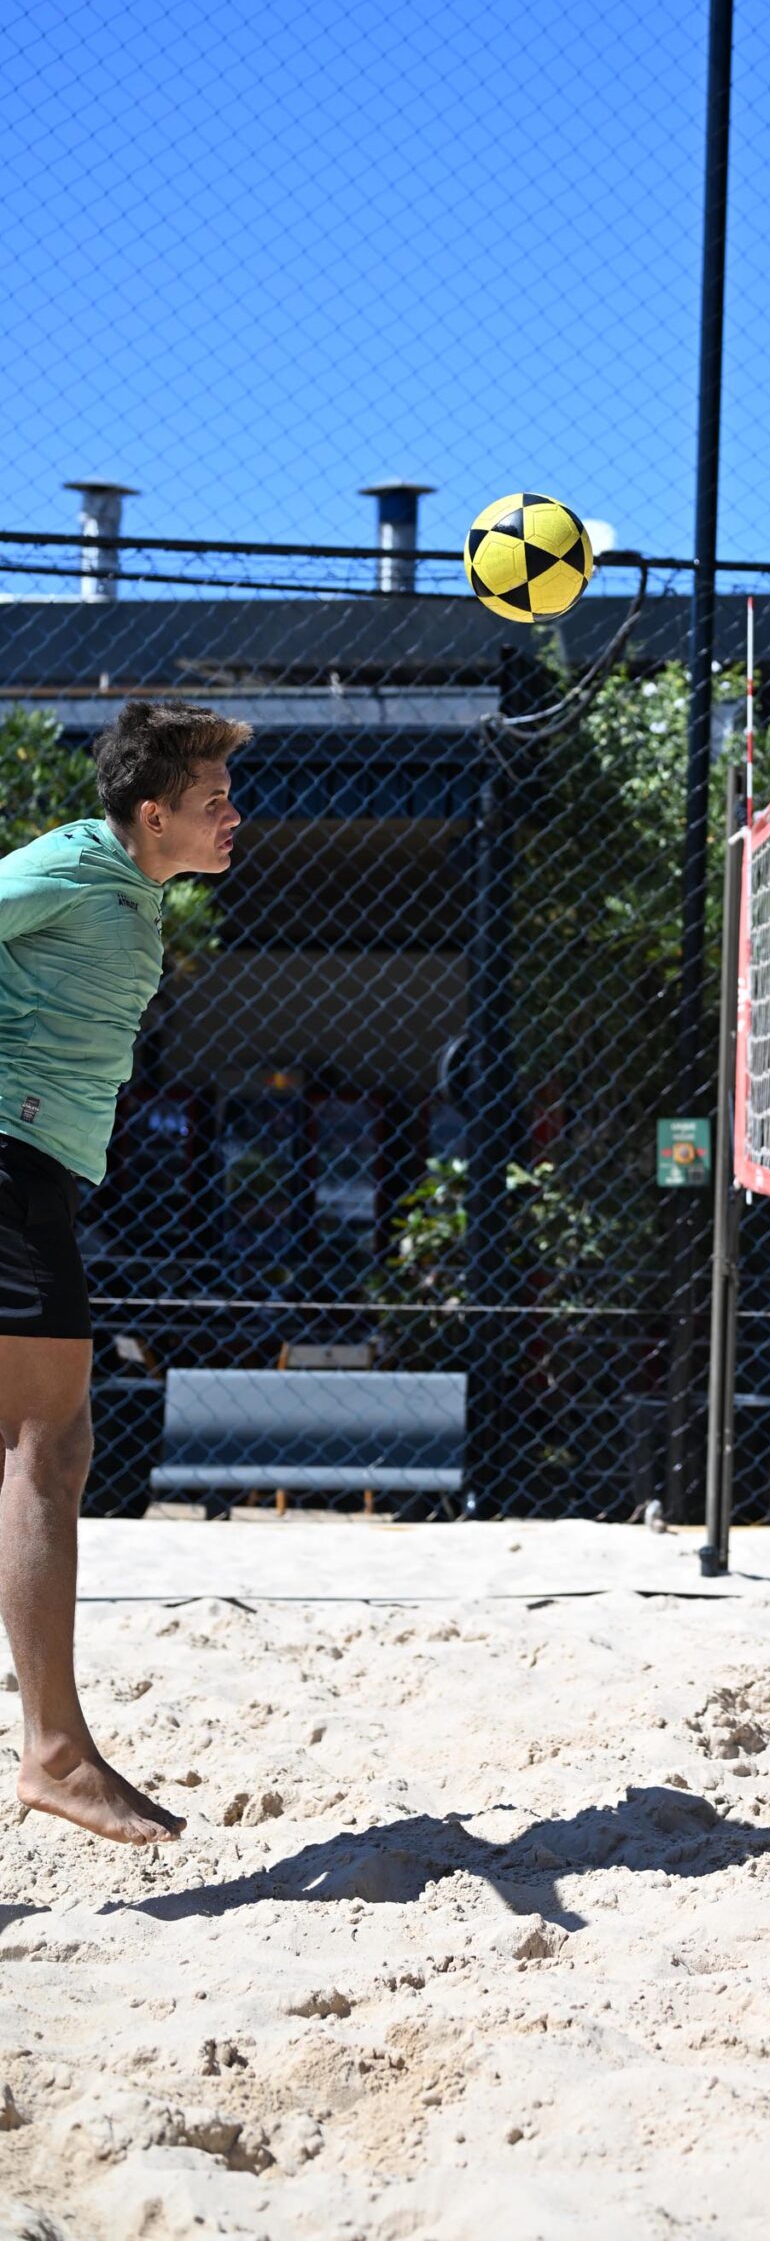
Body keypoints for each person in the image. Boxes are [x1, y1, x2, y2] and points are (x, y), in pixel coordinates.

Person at [0, 699, 249, 1843]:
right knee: (48, 1445)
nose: (232, 818)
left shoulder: (129, 886)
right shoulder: (67, 867)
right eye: (213, 801)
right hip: (8, 1161)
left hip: (32, 1166)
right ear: (153, 814)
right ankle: (54, 1756)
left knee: (31, 1444)